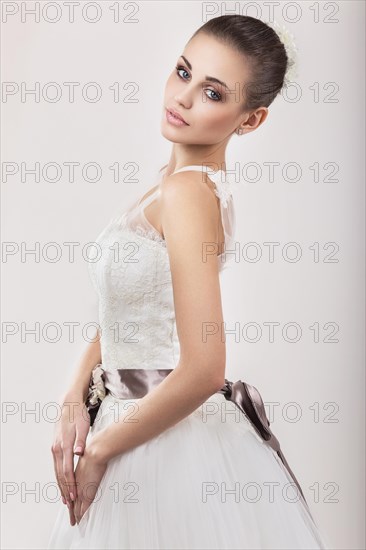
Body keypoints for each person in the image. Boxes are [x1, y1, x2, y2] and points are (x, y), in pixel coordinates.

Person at [48, 14, 330, 549]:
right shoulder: (170, 187)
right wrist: (71, 398)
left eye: (213, 93)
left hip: (158, 444)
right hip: (133, 421)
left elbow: (204, 369)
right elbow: (125, 316)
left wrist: (104, 451)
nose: (183, 97)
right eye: (183, 72)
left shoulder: (188, 195)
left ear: (250, 121)